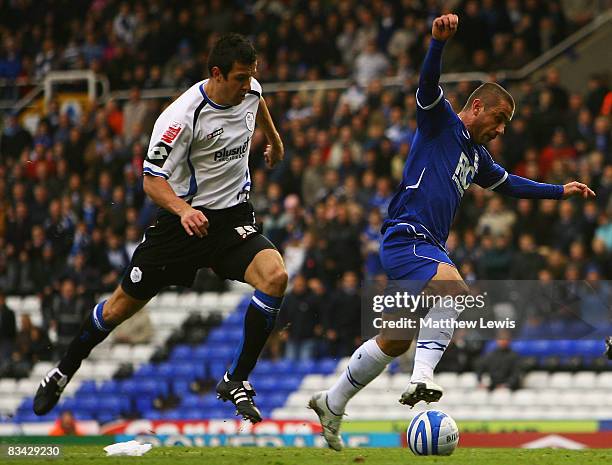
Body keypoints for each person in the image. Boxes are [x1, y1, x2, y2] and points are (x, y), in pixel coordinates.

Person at [308, 14, 595, 451]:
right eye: (498, 119)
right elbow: (426, 88)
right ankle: (422, 378)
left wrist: (560, 190)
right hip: (407, 236)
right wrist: (437, 44)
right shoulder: (441, 123)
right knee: (456, 290)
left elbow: (511, 184)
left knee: (394, 336)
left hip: (426, 245)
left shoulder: (477, 157)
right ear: (477, 107)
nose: (501, 131)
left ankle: (332, 401)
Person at [34, 33, 287, 424]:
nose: (247, 84)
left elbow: (258, 103)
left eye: (251, 76)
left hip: (232, 219)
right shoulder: (180, 118)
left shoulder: (250, 89)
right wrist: (183, 210)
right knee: (119, 308)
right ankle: (63, 369)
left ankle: (237, 379)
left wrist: (273, 138)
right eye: (239, 78)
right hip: (181, 227)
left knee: (275, 276)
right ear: (216, 74)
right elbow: (151, 180)